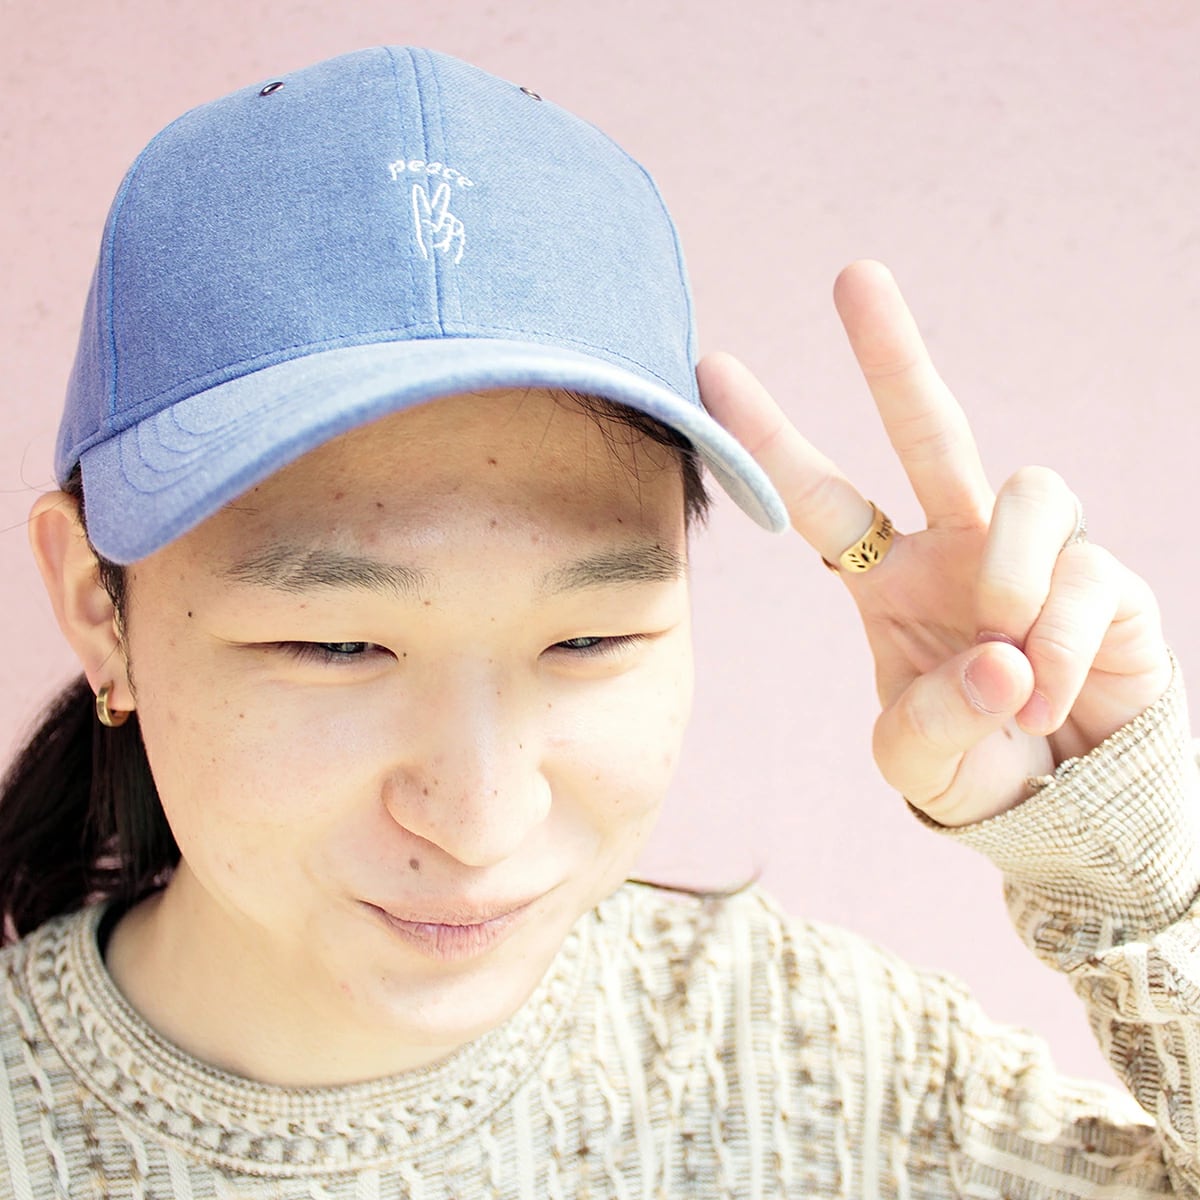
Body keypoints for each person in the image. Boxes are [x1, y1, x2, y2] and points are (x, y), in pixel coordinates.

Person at [0, 43, 1195, 1199]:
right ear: (99, 607)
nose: (481, 820)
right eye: (337, 645)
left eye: (588, 640)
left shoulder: (805, 1065)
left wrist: (1127, 872)